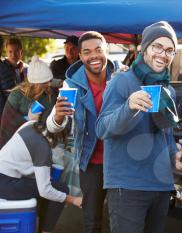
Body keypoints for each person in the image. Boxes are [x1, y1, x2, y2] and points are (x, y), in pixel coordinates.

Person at [96, 21, 182, 233]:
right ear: (144, 48)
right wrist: (128, 106)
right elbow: (102, 128)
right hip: (128, 187)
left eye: (169, 50)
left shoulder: (168, 90)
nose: (163, 54)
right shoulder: (122, 82)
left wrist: (175, 155)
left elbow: (165, 134)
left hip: (161, 185)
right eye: (157, 46)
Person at [46, 31, 114, 233]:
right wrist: (58, 116)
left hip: (120, 160)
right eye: (87, 52)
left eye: (98, 50)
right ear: (80, 56)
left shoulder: (120, 76)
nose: (94, 56)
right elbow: (52, 125)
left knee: (121, 219)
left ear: (106, 51)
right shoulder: (71, 84)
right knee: (92, 221)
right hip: (91, 161)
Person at [0, 115, 82, 233]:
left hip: (5, 176)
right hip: (5, 184)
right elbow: (45, 190)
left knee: (53, 189)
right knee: (60, 189)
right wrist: (73, 199)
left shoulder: (30, 125)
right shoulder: (43, 147)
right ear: (60, 135)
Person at [0, 55, 57, 148]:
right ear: (35, 83)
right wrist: (28, 120)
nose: (49, 84)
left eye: (50, 80)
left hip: (42, 144)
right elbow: (7, 126)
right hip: (17, 144)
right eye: (45, 82)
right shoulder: (17, 95)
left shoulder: (50, 95)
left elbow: (53, 122)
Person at [0, 37, 26, 116]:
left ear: (21, 52)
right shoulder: (3, 68)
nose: (13, 55)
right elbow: (9, 93)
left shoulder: (18, 68)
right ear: (6, 52)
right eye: (10, 52)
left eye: (16, 51)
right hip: (6, 111)